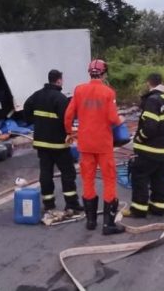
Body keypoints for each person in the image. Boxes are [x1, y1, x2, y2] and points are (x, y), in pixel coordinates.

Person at [64, 59, 125, 235]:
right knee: (109, 181)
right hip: (103, 145)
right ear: (104, 73)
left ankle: (91, 222)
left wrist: (70, 132)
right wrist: (120, 120)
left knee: (88, 180)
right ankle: (108, 225)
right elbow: (113, 119)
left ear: (89, 72)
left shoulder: (79, 90)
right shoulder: (108, 92)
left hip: (85, 144)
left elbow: (68, 115)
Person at [24, 69, 83, 217]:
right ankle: (72, 204)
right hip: (58, 144)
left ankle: (48, 204)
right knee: (68, 173)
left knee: (45, 173)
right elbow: (67, 120)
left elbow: (26, 110)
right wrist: (70, 133)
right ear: (58, 80)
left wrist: (35, 122)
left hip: (41, 143)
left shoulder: (36, 96)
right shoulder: (60, 98)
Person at [122, 73, 164, 218]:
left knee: (139, 177)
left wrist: (140, 138)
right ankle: (158, 208)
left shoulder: (152, 101)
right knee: (158, 179)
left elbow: (150, 127)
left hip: (148, 150)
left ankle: (139, 210)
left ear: (149, 83)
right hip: (163, 150)